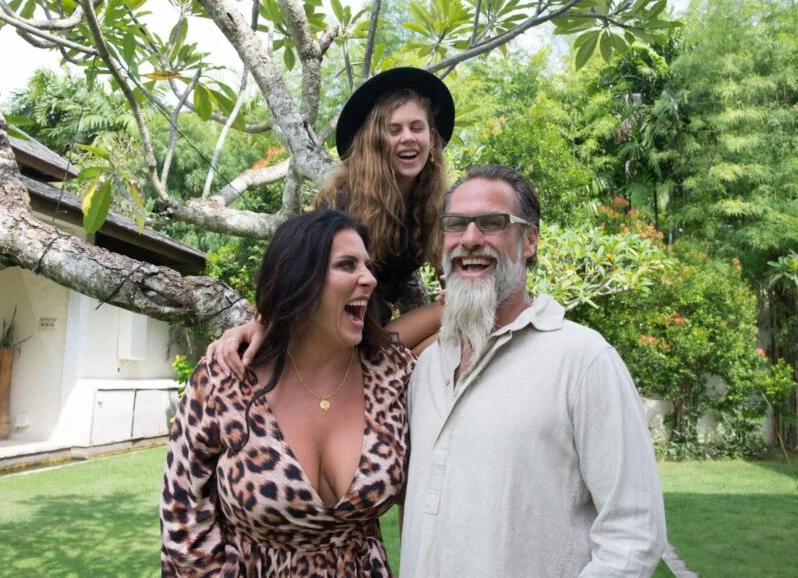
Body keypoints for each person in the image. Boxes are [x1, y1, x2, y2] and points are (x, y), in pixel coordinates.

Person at [399, 165, 667, 577]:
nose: (469, 239)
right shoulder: (430, 366)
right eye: (456, 224)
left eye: (492, 223)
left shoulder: (582, 360)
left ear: (529, 241)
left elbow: (634, 533)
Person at [161, 210, 417, 577]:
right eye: (347, 264)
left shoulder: (393, 373)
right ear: (298, 277)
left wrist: (446, 307)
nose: (370, 278)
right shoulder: (225, 378)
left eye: (368, 265)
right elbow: (183, 527)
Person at [209, 67, 454, 370]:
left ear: (431, 136)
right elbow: (299, 265)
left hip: (381, 328)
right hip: (351, 331)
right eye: (394, 130)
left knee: (461, 333)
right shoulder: (344, 199)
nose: (407, 138)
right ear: (375, 139)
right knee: (458, 314)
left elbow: (453, 267)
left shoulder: (436, 202)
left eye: (417, 128)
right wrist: (261, 322)